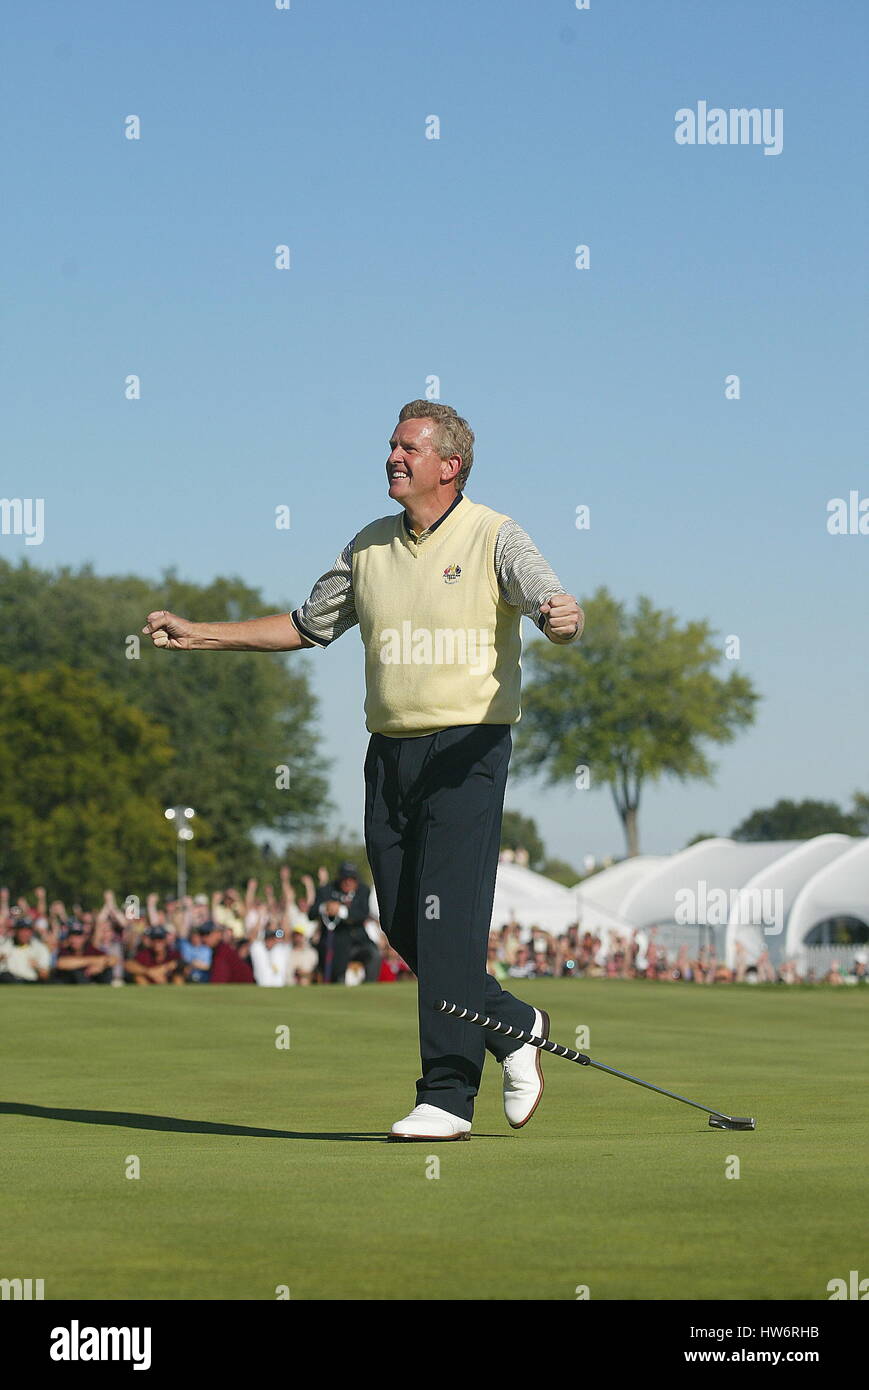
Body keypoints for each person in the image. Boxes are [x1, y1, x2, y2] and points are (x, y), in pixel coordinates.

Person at [143, 399, 583, 1141]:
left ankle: (445, 1097)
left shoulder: (494, 535)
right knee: (402, 923)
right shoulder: (368, 546)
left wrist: (555, 612)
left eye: (408, 448)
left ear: (450, 465)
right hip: (390, 754)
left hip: (468, 749)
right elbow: (304, 625)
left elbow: (541, 590)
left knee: (447, 928)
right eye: (390, 446)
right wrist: (202, 635)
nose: (392, 457)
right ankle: (511, 1025)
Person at [308, 862, 377, 984]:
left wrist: (340, 910)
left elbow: (362, 914)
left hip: (359, 940)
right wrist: (325, 907)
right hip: (334, 940)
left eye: (352, 879)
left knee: (374, 954)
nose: (348, 882)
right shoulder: (326, 890)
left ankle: (370, 985)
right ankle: (337, 984)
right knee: (337, 955)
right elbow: (311, 914)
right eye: (345, 878)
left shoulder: (363, 890)